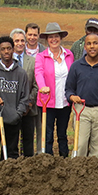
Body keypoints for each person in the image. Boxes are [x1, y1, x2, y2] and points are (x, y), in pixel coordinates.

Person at [65, 34, 98, 159]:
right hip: (82, 109)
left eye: (95, 43)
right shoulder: (76, 66)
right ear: (85, 47)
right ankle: (77, 172)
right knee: (80, 144)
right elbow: (68, 89)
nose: (92, 46)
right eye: (89, 43)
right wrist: (72, 97)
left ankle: (94, 174)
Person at [0, 36, 31, 160]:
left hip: (13, 120)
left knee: (11, 155)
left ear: (13, 49)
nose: (6, 51)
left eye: (9, 48)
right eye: (3, 49)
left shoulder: (21, 73)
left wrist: (17, 114)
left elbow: (24, 97)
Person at [35, 22, 74, 157]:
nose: (54, 40)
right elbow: (38, 73)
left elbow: (72, 74)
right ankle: (48, 159)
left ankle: (64, 158)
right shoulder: (41, 56)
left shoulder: (69, 55)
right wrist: (42, 87)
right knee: (48, 133)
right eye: (50, 37)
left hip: (64, 100)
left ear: (60, 38)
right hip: (48, 101)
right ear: (46, 40)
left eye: (56, 36)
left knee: (62, 133)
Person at [10, 28, 39, 156]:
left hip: (28, 109)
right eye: (16, 41)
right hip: (11, 109)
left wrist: (30, 102)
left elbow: (36, 85)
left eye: (22, 40)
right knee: (12, 139)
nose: (20, 43)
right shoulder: (7, 61)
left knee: (28, 140)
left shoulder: (32, 61)